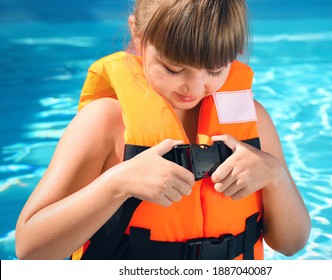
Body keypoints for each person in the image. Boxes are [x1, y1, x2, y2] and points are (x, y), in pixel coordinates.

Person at [15, 0, 311, 260]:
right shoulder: (104, 122)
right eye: (173, 68)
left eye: (216, 70)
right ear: (138, 35)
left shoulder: (254, 120)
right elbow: (30, 250)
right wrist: (117, 184)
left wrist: (274, 175)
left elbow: (291, 244)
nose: (194, 88)